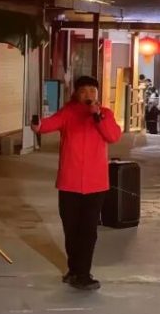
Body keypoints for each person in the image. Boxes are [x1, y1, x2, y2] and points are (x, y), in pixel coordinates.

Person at [32, 75, 122, 290]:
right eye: (83, 91)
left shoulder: (105, 114)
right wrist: (37, 125)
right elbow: (48, 125)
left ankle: (83, 274)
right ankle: (74, 270)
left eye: (92, 90)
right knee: (71, 229)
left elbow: (113, 136)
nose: (88, 94)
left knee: (88, 231)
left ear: (97, 93)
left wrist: (98, 116)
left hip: (96, 184)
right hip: (69, 182)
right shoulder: (68, 113)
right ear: (76, 94)